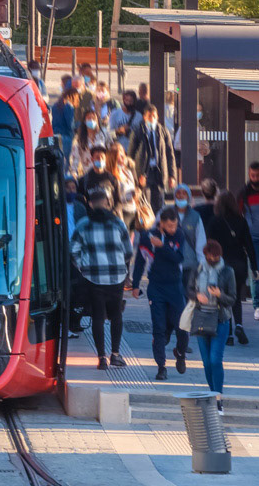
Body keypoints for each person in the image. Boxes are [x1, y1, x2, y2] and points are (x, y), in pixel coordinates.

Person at [71, 187, 134, 370]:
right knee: (116, 315)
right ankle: (115, 354)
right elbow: (128, 251)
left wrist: (83, 267)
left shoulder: (83, 224)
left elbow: (73, 250)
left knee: (98, 316)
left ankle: (101, 358)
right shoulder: (118, 223)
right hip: (116, 277)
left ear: (90, 204)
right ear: (107, 203)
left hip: (93, 277)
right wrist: (120, 264)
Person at [131, 207, 190, 380]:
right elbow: (140, 262)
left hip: (175, 286)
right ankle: (161, 366)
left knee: (182, 327)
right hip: (156, 287)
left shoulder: (179, 235)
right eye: (169, 226)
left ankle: (180, 353)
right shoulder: (147, 237)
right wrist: (135, 284)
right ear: (161, 223)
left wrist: (162, 246)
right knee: (158, 327)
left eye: (175, 225)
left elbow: (178, 258)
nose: (173, 229)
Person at [187, 240, 237, 414]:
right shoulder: (198, 269)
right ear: (206, 255)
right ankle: (211, 393)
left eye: (217, 256)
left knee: (216, 359)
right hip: (201, 318)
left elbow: (233, 299)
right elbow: (189, 290)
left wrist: (219, 295)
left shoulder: (227, 271)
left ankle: (218, 397)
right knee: (207, 362)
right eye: (211, 256)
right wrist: (196, 296)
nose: (214, 259)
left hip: (220, 320)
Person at [206, 191, 258, 346]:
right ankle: (240, 326)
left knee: (223, 298)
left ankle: (228, 334)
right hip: (240, 264)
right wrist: (254, 267)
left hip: (222, 265)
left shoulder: (215, 221)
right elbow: (249, 245)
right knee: (235, 299)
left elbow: (209, 245)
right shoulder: (241, 221)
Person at [127, 104, 176, 213]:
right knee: (146, 203)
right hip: (144, 173)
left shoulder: (163, 131)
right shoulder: (138, 131)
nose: (152, 119)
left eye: (154, 116)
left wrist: (172, 175)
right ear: (144, 117)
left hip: (159, 171)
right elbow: (130, 157)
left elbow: (170, 154)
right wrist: (135, 176)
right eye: (149, 116)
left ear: (157, 117)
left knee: (159, 204)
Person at [238, 162, 259, 320]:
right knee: (256, 273)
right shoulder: (244, 193)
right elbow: (238, 214)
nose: (256, 178)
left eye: (258, 175)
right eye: (253, 176)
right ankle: (257, 306)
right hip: (253, 239)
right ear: (249, 175)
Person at [172, 183, 207, 293]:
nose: (181, 196)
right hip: (171, 264)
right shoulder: (166, 213)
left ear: (189, 196)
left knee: (188, 297)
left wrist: (202, 265)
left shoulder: (195, 217)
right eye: (178, 193)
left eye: (184, 193)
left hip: (190, 265)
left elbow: (201, 242)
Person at [70, 108, 113, 178]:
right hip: (88, 173)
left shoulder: (105, 134)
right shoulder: (79, 139)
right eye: (89, 118)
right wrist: (74, 173)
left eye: (93, 118)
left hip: (104, 172)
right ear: (85, 121)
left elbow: (111, 152)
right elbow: (75, 158)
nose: (91, 120)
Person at [105, 141, 139, 231]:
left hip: (133, 212)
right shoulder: (110, 177)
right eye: (120, 155)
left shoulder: (128, 172)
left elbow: (135, 189)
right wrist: (127, 198)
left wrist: (137, 192)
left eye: (123, 154)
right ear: (113, 158)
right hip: (122, 214)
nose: (123, 157)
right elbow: (112, 199)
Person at [51, 87, 79, 163]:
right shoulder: (69, 106)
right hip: (66, 136)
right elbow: (70, 124)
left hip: (55, 136)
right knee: (65, 162)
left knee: (56, 161)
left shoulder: (55, 105)